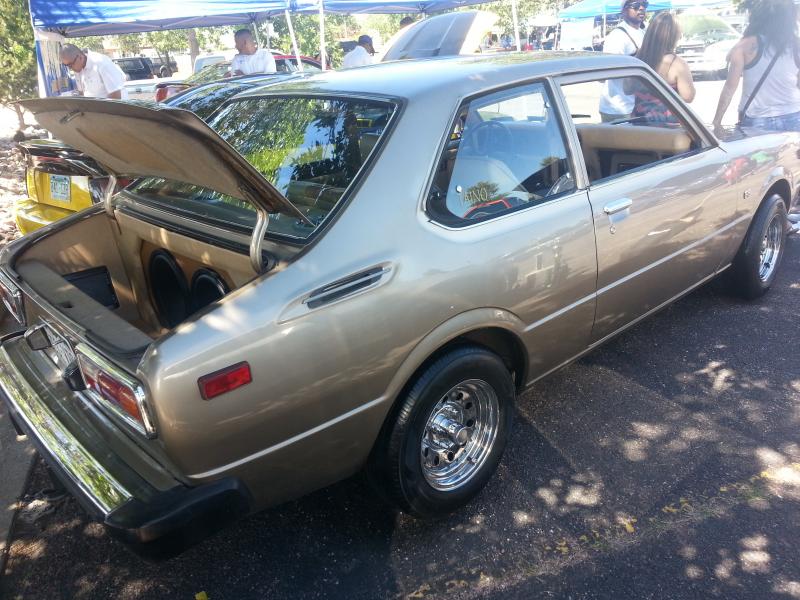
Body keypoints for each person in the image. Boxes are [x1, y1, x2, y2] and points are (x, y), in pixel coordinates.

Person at [712, 0, 800, 135]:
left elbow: (730, 87)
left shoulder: (744, 46)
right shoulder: (795, 44)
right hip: (793, 116)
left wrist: (717, 122)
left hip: (756, 120)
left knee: (756, 156)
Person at [629, 12, 695, 124]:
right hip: (667, 127)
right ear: (674, 36)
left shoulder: (637, 59)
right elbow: (688, 97)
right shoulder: (677, 64)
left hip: (639, 123)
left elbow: (627, 89)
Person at [599, 0, 648, 122]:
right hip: (618, 108)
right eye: (636, 6)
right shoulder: (617, 37)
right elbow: (605, 73)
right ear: (624, 10)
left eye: (644, 5)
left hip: (637, 106)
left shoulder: (643, 32)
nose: (641, 8)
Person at [59, 44, 126, 99]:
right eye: (66, 65)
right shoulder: (77, 68)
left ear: (80, 57)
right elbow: (82, 94)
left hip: (114, 112)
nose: (70, 68)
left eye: (70, 65)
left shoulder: (102, 63)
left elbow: (116, 96)